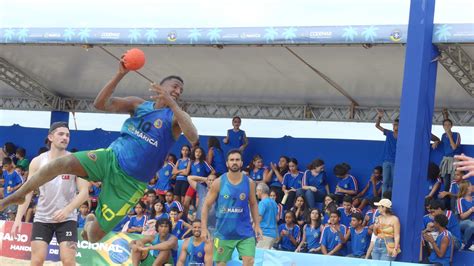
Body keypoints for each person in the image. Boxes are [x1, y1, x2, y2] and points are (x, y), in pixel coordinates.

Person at [0, 60, 199, 243]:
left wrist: (172, 104)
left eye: (181, 90)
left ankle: (89, 221)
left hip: (130, 184)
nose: (178, 91)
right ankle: (17, 195)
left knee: (93, 237)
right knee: (61, 164)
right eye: (174, 86)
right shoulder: (139, 105)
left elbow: (193, 137)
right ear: (160, 86)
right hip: (111, 157)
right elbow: (100, 104)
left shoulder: (175, 118)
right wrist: (119, 74)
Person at [11, 122, 89, 266]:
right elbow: (27, 193)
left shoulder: (76, 161)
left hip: (67, 219)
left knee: (68, 261)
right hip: (42, 218)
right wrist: (18, 218)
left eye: (67, 135)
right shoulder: (38, 162)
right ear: (50, 137)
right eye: (61, 134)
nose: (65, 137)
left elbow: (84, 193)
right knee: (36, 261)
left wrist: (67, 210)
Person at [201, 150, 262, 266]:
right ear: (227, 163)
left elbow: (253, 204)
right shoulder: (218, 182)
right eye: (232, 160)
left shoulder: (249, 183)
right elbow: (206, 205)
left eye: (237, 160)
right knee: (221, 264)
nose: (234, 162)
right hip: (223, 232)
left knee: (249, 261)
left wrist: (257, 225)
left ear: (241, 163)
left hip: (245, 232)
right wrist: (204, 228)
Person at [432, 118, 462, 193]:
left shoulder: (457, 134)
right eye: (445, 125)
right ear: (443, 127)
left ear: (451, 126)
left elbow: (454, 147)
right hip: (446, 161)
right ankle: (445, 202)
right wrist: (436, 142)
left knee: (454, 182)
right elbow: (441, 142)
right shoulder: (443, 135)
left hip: (455, 161)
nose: (447, 126)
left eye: (449, 125)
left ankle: (454, 202)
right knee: (446, 184)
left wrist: (449, 135)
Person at [375, 111, 398, 193]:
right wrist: (379, 117)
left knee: (393, 182)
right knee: (385, 181)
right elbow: (377, 126)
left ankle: (390, 199)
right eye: (393, 124)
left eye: (396, 124)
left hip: (396, 162)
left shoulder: (403, 136)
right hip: (387, 161)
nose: (394, 126)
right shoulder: (389, 133)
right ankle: (383, 199)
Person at [256, 182, 278, 249]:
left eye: (257, 191)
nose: (256, 193)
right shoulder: (274, 203)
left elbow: (258, 218)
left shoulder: (262, 203)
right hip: (273, 234)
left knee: (259, 257)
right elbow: (276, 219)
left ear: (260, 191)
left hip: (265, 234)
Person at [456, 181, 473, 250]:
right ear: (467, 188)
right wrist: (470, 210)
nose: (472, 186)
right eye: (471, 185)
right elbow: (462, 216)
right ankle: (464, 243)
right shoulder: (460, 200)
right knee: (472, 224)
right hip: (463, 222)